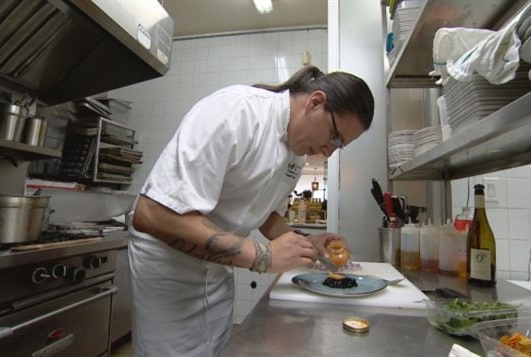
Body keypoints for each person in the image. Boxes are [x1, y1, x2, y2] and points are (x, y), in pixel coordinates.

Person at [128, 65, 375, 356]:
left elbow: (265, 214)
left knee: (217, 349)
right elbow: (151, 213)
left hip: (217, 269)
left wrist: (307, 243)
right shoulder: (237, 112)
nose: (329, 151)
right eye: (335, 136)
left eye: (340, 146)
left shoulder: (296, 152)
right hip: (168, 273)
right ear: (315, 102)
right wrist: (261, 256)